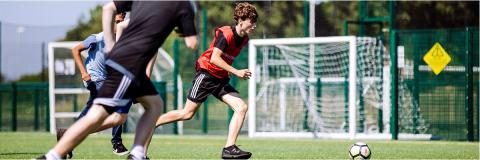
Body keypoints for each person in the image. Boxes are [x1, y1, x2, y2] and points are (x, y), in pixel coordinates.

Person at [36, 1, 197, 160]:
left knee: (152, 106)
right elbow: (192, 43)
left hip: (130, 66)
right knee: (99, 114)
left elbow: (109, 11)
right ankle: (53, 155)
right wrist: (185, 27)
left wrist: (113, 47)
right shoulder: (183, 5)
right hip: (128, 65)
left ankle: (137, 154)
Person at [152, 2, 257, 159]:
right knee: (187, 114)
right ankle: (153, 122)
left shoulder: (244, 39)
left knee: (241, 107)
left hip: (220, 79)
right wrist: (236, 72)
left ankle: (229, 148)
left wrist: (230, 73)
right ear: (241, 19)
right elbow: (214, 59)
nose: (254, 25)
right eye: (252, 21)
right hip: (206, 74)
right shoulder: (225, 33)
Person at [67, 12, 129, 157]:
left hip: (106, 79)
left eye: (122, 22)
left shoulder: (120, 41)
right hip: (94, 79)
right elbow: (75, 50)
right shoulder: (98, 38)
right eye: (117, 21)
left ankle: (67, 137)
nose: (119, 25)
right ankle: (117, 143)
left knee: (90, 110)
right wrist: (84, 73)